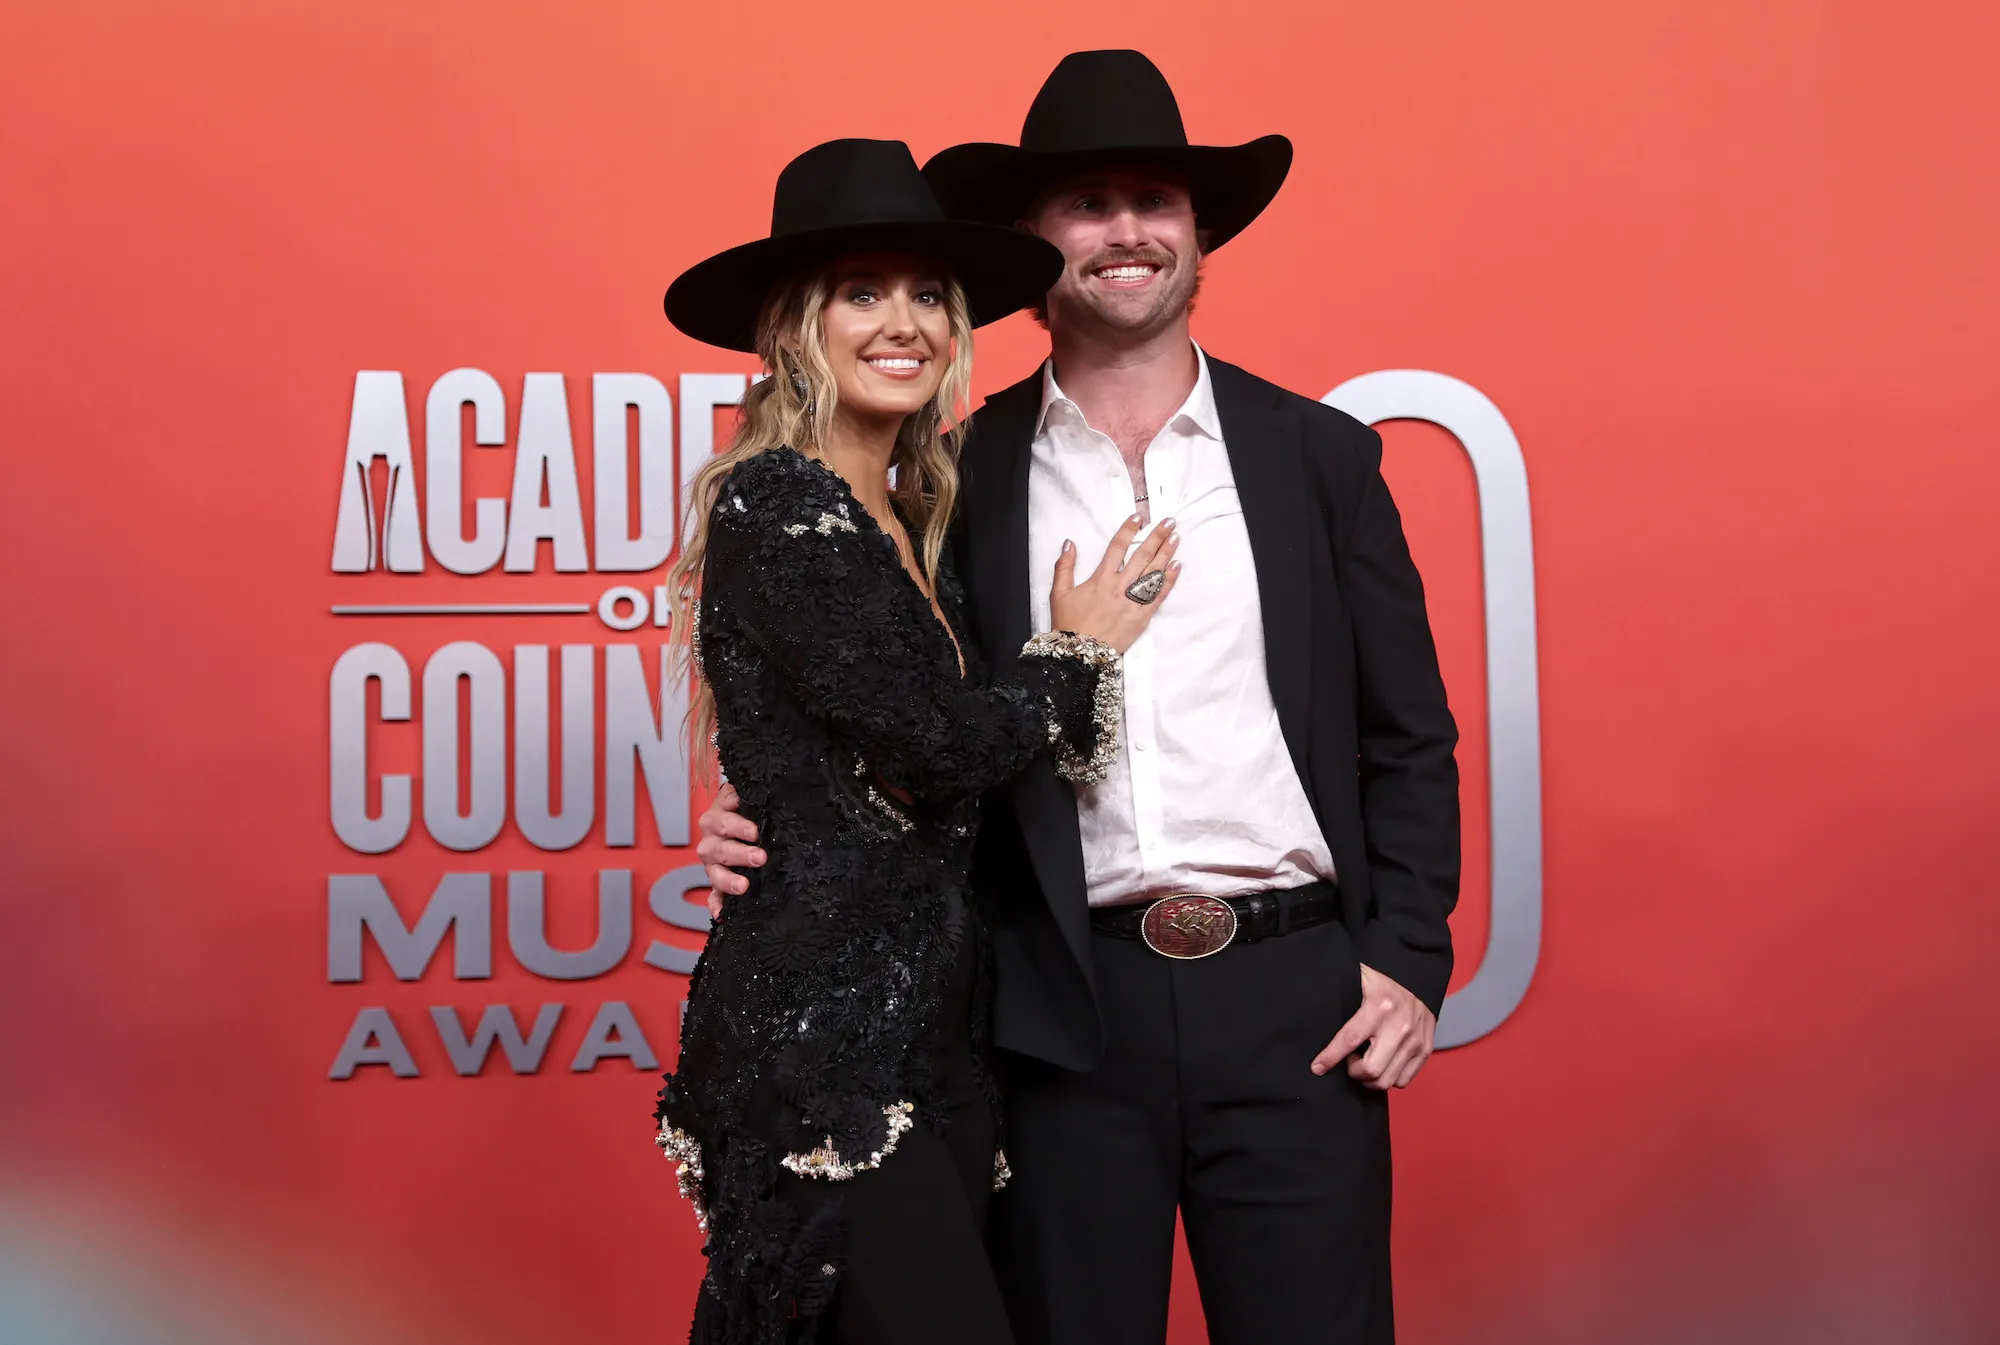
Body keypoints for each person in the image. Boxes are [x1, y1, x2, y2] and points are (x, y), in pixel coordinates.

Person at [695, 54, 1462, 1345]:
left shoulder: (1317, 457)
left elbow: (1409, 731)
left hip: (1294, 1002)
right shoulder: (954, 477)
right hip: (1052, 1009)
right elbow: (886, 700)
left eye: (1152, 201)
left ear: (1197, 233)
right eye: (1087, 205)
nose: (1124, 233)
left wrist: (1408, 954)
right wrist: (772, 811)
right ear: (1034, 245)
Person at [651, 137, 1184, 1345]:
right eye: (861, 293)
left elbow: (919, 770)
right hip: (821, 1046)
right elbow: (936, 744)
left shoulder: (918, 515)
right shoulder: (778, 501)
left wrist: (784, 803)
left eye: (928, 296)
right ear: (797, 329)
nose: (904, 323)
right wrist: (1080, 644)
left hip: (937, 1034)